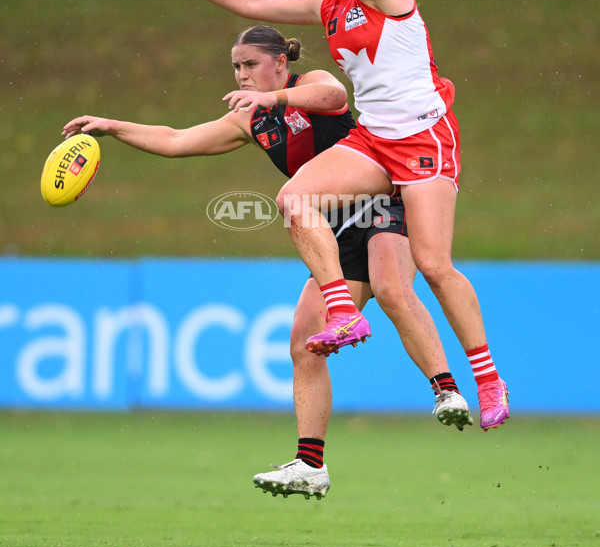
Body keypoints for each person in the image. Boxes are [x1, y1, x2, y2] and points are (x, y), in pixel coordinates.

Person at [145, 0, 509, 436]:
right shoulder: (331, 4)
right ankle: (342, 309)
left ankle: (487, 379)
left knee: (433, 265)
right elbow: (255, 2)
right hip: (375, 137)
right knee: (295, 198)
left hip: (425, 137)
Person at [62, 25, 472, 500]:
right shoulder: (248, 120)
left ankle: (447, 390)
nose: (242, 75)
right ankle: (310, 466)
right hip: (331, 229)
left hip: (382, 201)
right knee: (304, 343)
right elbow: (176, 139)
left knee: (393, 289)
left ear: (280, 62)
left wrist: (273, 97)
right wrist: (113, 127)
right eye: (236, 67)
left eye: (251, 64)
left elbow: (336, 91)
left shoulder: (306, 87)